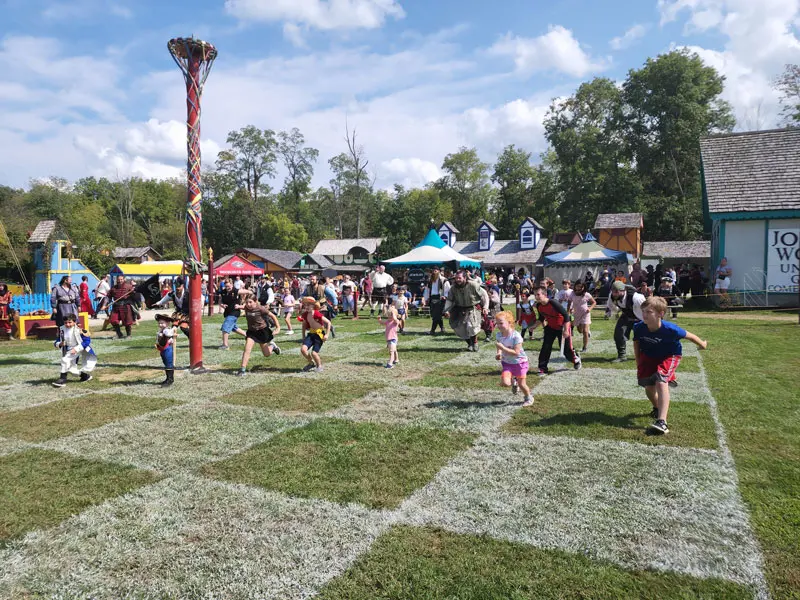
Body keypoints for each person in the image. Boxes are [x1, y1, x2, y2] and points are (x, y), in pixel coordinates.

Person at [634, 296, 707, 435]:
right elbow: (636, 343)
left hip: (670, 356)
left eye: (649, 312)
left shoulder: (671, 329)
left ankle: (662, 422)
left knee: (661, 382)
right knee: (649, 388)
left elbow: (690, 336)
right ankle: (657, 407)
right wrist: (638, 362)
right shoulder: (639, 327)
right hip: (649, 357)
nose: (644, 315)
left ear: (660, 314)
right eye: (643, 311)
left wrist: (703, 344)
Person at [531, 286, 581, 374]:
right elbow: (541, 318)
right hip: (550, 327)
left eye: (538, 294)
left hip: (562, 327)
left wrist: (565, 330)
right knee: (545, 347)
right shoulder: (539, 305)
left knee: (567, 350)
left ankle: (576, 360)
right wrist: (534, 326)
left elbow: (566, 316)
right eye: (535, 295)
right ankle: (542, 368)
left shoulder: (553, 303)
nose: (536, 297)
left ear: (545, 294)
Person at [235, 293, 282, 377]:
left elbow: (272, 316)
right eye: (247, 302)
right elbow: (244, 307)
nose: (248, 304)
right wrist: (239, 306)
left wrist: (278, 327)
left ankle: (272, 347)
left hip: (262, 332)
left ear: (255, 302)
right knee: (247, 348)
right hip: (252, 332)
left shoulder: (260, 308)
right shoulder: (246, 307)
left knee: (266, 354)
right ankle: (242, 369)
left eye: (250, 302)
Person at [494, 310, 534, 407]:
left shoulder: (516, 336)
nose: (498, 326)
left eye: (501, 323)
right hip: (507, 363)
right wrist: (499, 353)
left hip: (520, 363)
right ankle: (513, 381)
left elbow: (516, 353)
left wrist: (503, 348)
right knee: (505, 383)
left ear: (509, 323)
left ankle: (528, 397)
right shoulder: (499, 335)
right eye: (497, 323)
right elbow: (499, 346)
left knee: (522, 384)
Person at [444, 270, 488, 352]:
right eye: (456, 278)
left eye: (459, 278)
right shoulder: (453, 288)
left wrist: (485, 307)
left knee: (471, 326)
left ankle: (475, 343)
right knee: (460, 329)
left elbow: (484, 295)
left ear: (464, 278)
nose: (457, 280)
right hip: (460, 309)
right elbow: (450, 300)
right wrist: (447, 310)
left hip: (473, 308)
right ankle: (469, 344)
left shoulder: (473, 285)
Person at [606, 280, 646, 362]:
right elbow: (610, 306)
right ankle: (622, 356)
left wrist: (647, 323)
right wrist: (615, 311)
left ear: (623, 291)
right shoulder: (612, 296)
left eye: (616, 291)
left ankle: (645, 356)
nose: (614, 294)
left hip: (641, 318)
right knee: (618, 334)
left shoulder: (637, 298)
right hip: (626, 316)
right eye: (613, 291)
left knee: (644, 338)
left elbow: (646, 310)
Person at [52, 314, 96, 387]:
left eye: (70, 322)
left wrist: (76, 349)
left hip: (78, 349)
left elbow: (87, 341)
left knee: (64, 360)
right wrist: (60, 344)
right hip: (67, 350)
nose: (67, 324)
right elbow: (58, 340)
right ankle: (85, 376)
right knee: (72, 370)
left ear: (74, 322)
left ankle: (62, 380)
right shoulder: (61, 329)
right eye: (66, 322)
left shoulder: (79, 330)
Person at [299, 297, 331, 373]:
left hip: (319, 334)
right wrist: (303, 336)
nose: (306, 307)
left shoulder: (316, 313)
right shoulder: (305, 315)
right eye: (305, 305)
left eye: (308, 305)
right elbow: (304, 325)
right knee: (303, 349)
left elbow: (328, 322)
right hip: (311, 334)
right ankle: (311, 363)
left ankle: (319, 366)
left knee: (314, 353)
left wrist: (327, 334)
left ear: (313, 306)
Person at [218, 278, 247, 349]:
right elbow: (220, 301)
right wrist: (222, 305)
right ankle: (249, 336)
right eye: (226, 286)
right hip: (227, 312)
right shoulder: (223, 292)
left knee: (225, 326)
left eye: (229, 286)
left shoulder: (236, 291)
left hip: (235, 312)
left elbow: (249, 292)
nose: (228, 288)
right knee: (233, 328)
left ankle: (225, 345)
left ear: (232, 285)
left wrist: (242, 305)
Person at [423, 266, 449, 335]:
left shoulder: (444, 280)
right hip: (432, 298)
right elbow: (427, 290)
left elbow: (448, 289)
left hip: (440, 298)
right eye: (433, 271)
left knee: (436, 315)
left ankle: (432, 330)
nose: (434, 272)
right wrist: (426, 298)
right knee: (437, 315)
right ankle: (442, 328)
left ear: (439, 271)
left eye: (436, 271)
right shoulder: (430, 280)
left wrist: (445, 296)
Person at [572, 280, 596, 353]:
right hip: (576, 314)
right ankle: (587, 332)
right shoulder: (572, 294)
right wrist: (569, 310)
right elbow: (570, 302)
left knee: (585, 331)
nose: (579, 288)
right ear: (575, 286)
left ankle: (584, 347)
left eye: (581, 287)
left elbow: (594, 302)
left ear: (583, 287)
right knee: (580, 331)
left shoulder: (587, 294)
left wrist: (590, 308)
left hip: (585, 314)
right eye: (577, 286)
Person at [154, 314, 177, 387]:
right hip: (163, 350)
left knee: (169, 364)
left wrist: (173, 329)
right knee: (166, 364)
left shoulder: (166, 330)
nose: (160, 324)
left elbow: (169, 334)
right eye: (159, 323)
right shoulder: (161, 330)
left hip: (168, 350)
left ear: (167, 323)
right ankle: (167, 378)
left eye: (162, 323)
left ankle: (170, 379)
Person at [378, 302, 400, 368]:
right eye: (389, 315)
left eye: (391, 315)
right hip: (388, 338)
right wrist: (379, 320)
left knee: (391, 351)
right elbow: (382, 323)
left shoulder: (395, 322)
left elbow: (396, 321)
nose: (390, 316)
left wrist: (394, 315)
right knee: (394, 350)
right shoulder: (388, 321)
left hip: (393, 339)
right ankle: (396, 359)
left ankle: (390, 363)